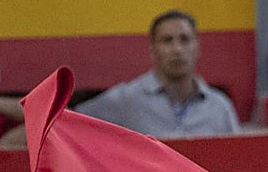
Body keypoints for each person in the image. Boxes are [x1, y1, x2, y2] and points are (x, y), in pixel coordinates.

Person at [75, 9, 240, 138]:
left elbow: (235, 159)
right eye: (167, 40)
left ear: (197, 47)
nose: (177, 49)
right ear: (152, 50)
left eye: (184, 39)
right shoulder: (126, 100)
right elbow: (73, 123)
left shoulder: (219, 107)